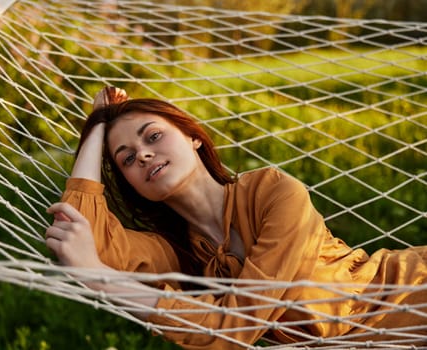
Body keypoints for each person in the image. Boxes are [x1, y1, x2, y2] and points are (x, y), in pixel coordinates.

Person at [45, 86, 427, 349]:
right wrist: (96, 125)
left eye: (153, 136)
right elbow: (79, 232)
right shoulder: (181, 255)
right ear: (132, 184)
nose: (142, 154)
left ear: (193, 137)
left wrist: (101, 279)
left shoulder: (274, 192)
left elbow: (233, 330)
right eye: (126, 158)